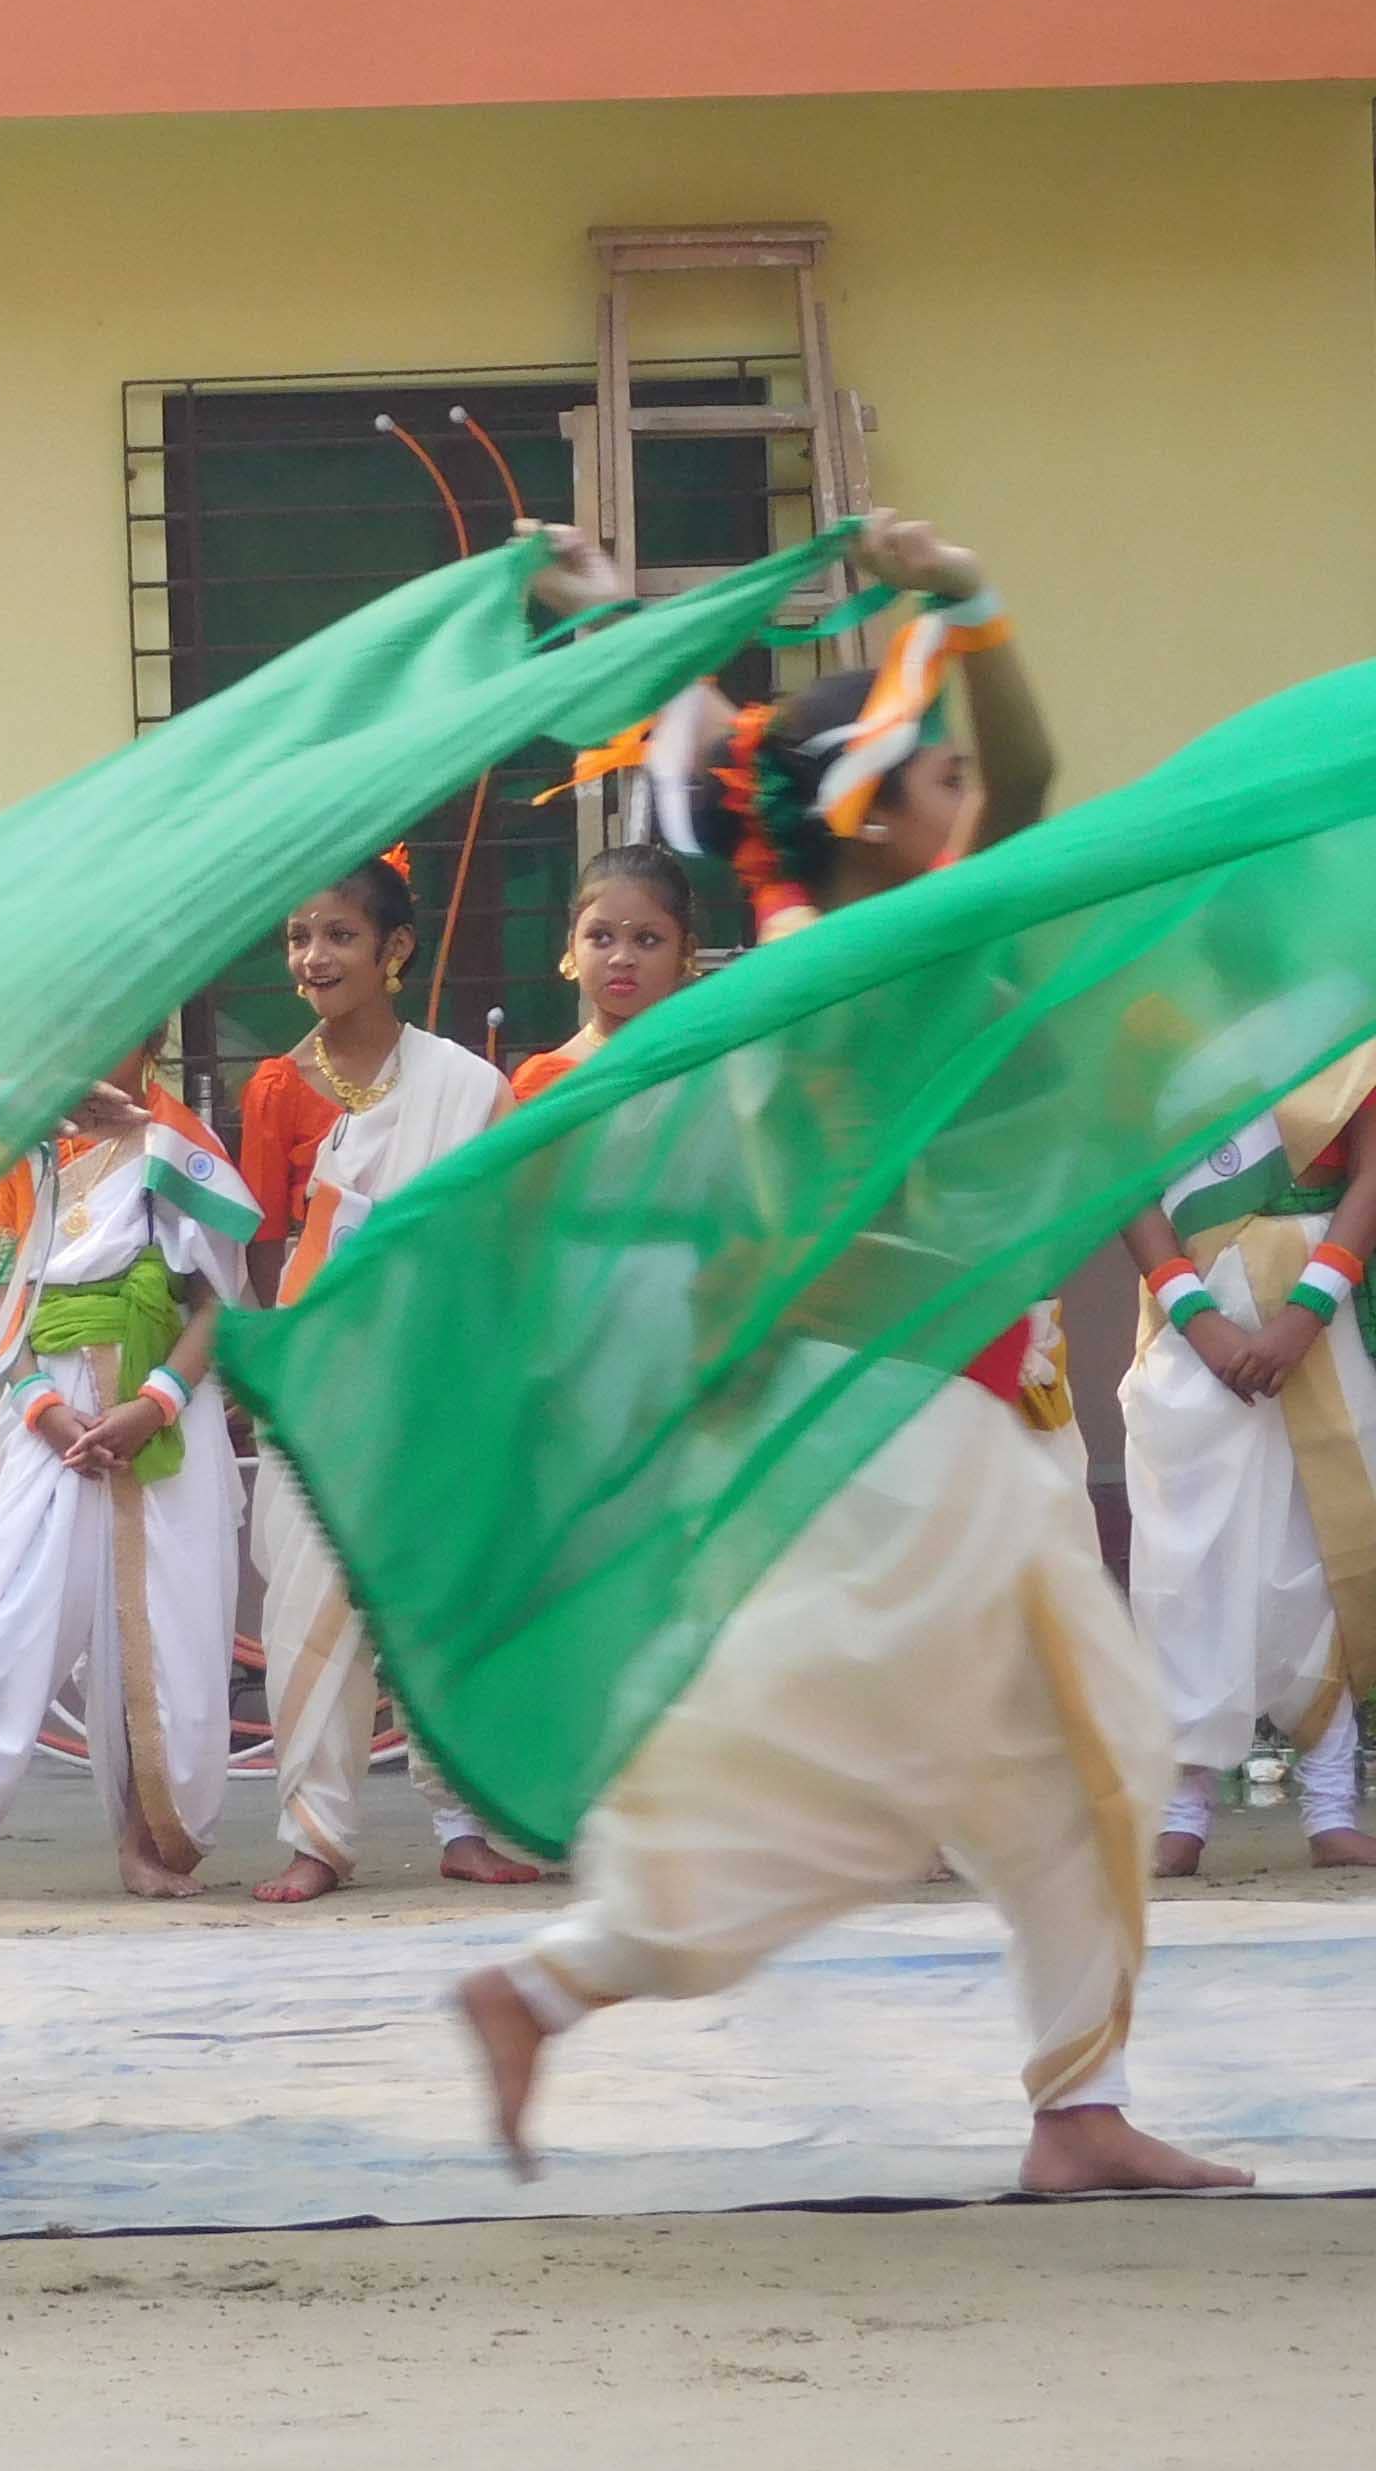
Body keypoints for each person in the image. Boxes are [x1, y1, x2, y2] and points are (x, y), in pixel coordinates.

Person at [460, 516, 1246, 2195]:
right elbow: (1019, 773)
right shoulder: (888, 951)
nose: (970, 796)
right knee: (856, 1774)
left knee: (1069, 1756)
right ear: (869, 814)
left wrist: (625, 615)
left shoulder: (816, 936)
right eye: (935, 777)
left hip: (917, 1411)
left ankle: (1073, 2109)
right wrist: (958, 598)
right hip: (897, 1424)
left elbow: (715, 763)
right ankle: (548, 1983)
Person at [238, 849, 528, 1899]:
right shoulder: (274, 1088)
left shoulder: (468, 1087)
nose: (314, 957)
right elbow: (263, 1252)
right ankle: (317, 1835)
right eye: (299, 937)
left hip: (439, 1382)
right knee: (312, 1603)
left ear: (396, 950)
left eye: (339, 936)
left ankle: (465, 1822)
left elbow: (502, 1240)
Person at [0, 1042, 254, 1908]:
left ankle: (145, 1844)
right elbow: (1, 1294)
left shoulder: (182, 1145)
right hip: (49, 1410)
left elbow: (216, 1303)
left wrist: (154, 1405)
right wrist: (42, 1407)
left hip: (160, 1404)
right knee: (7, 1612)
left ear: (155, 1036)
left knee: (163, 1633)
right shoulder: (23, 1146)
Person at [1117, 1059, 1376, 1877]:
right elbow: (1129, 1183)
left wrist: (1305, 1312)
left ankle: (1332, 1803)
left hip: (1322, 1311)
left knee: (1320, 1544)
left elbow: (1371, 1171)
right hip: (1191, 1314)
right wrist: (1199, 1321)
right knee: (1184, 1556)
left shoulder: (1345, 1025)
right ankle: (1181, 1808)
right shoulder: (1147, 1027)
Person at [504, 841, 697, 1104]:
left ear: (685, 951)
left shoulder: (711, 1069)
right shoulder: (543, 1086)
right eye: (602, 937)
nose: (621, 958)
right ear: (572, 946)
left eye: (647, 939)